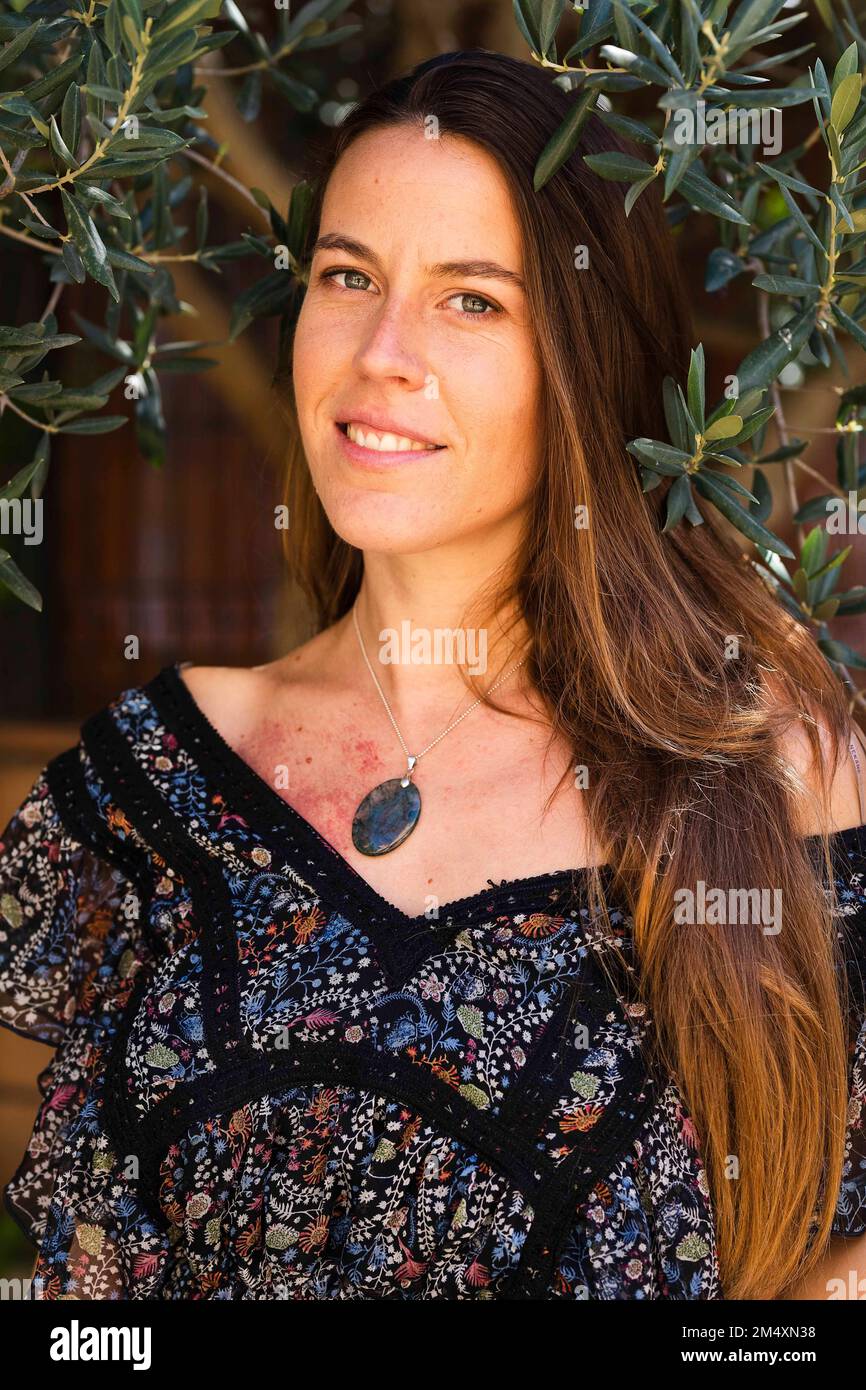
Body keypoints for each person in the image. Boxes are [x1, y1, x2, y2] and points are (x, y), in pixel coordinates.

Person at [2, 48, 866, 1301]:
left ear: (584, 361)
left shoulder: (773, 775)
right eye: (349, 277)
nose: (383, 352)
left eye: (471, 300)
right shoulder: (154, 787)